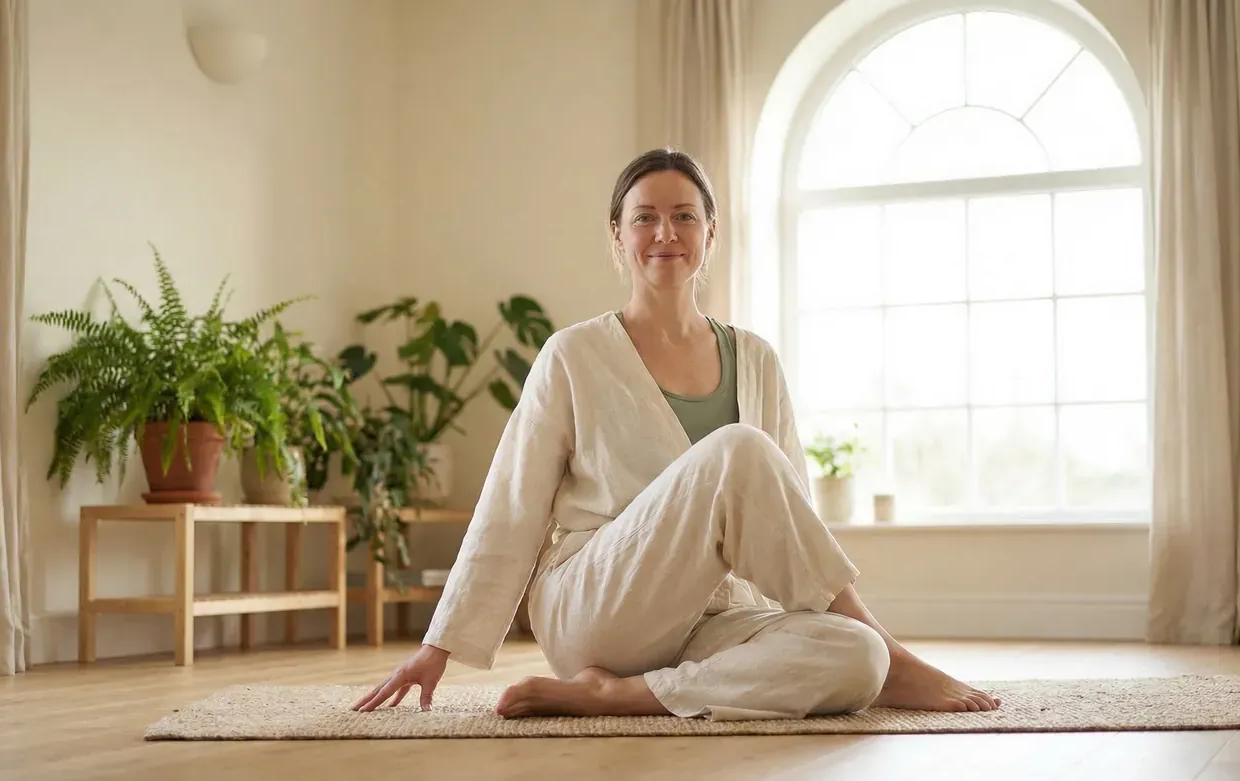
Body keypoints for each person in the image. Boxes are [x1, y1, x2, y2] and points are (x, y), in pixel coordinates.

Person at [353, 148, 1001, 721]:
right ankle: (893, 650)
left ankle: (622, 696)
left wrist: (797, 629)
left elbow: (788, 516)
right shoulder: (572, 355)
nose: (666, 232)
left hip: (709, 620)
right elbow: (512, 502)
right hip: (596, 608)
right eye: (645, 216)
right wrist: (438, 645)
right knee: (741, 453)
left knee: (856, 658)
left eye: (685, 216)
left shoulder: (756, 359)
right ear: (617, 234)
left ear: (711, 233)